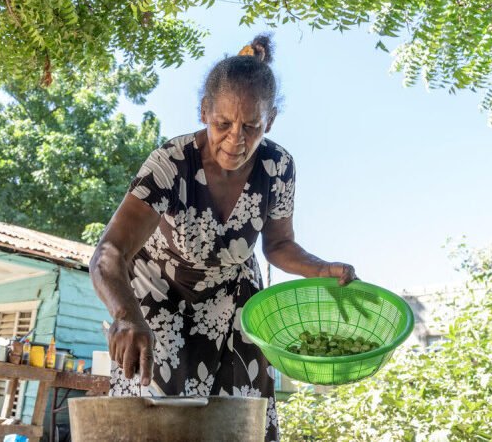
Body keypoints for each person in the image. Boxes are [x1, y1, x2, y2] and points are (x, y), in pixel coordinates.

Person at [89, 34, 357, 441]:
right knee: (158, 408)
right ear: (203, 112)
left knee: (240, 410)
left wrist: (322, 269)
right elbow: (109, 252)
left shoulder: (277, 166)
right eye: (223, 124)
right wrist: (126, 316)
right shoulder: (170, 164)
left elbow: (279, 246)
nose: (237, 140)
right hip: (158, 290)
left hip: (233, 292)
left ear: (270, 121)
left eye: (251, 126)